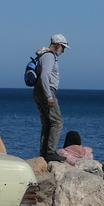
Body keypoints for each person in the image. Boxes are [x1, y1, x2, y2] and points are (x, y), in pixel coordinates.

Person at [32, 34, 68, 162]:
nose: (63, 51)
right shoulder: (49, 56)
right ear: (57, 45)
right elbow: (44, 77)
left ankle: (44, 153)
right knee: (57, 121)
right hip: (46, 91)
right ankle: (50, 152)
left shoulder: (43, 55)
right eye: (63, 48)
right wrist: (49, 96)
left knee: (47, 123)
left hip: (39, 91)